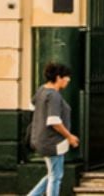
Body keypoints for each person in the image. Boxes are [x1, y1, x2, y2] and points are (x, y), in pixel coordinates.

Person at [27, 62, 78, 196]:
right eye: (66, 77)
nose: (68, 80)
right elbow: (54, 121)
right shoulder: (54, 95)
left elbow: (32, 107)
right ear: (59, 77)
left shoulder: (41, 91)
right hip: (52, 142)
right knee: (56, 177)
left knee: (52, 174)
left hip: (41, 139)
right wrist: (70, 137)